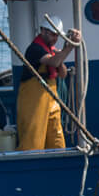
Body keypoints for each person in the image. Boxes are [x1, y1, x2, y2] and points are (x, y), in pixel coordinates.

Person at [17, 14, 79, 151]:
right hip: (34, 102)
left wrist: (61, 55)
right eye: (53, 34)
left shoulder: (52, 51)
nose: (55, 39)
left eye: (57, 36)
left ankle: (59, 160)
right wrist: (69, 47)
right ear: (43, 31)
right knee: (33, 139)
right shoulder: (35, 49)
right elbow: (53, 62)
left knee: (56, 138)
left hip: (51, 100)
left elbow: (63, 74)